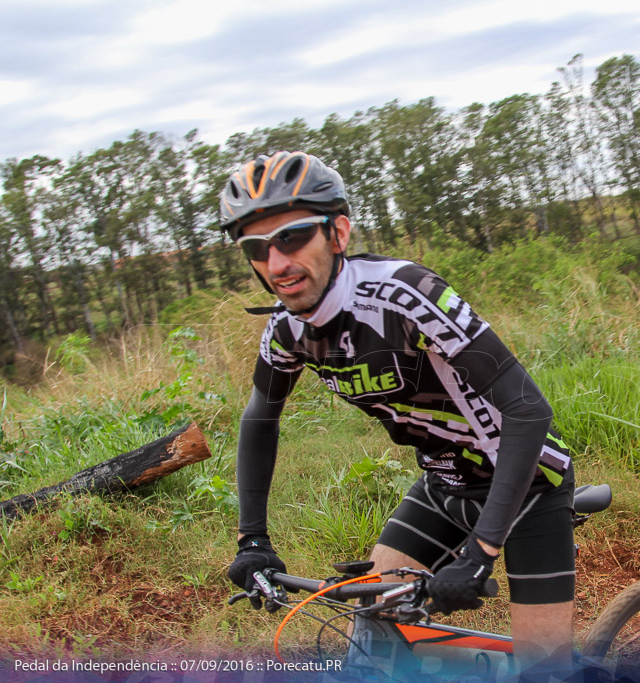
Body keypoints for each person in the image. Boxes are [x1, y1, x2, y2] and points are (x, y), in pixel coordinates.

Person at [221, 151, 577, 673]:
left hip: (528, 486)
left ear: (337, 233)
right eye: (257, 246)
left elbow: (527, 409)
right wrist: (252, 539)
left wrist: (480, 551)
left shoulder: (405, 296)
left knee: (544, 670)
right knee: (375, 626)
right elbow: (260, 417)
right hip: (442, 485)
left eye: (293, 238)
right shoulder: (287, 328)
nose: (276, 264)